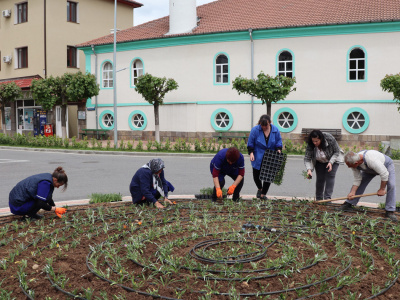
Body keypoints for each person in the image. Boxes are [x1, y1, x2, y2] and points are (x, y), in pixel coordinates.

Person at [340, 150, 397, 221]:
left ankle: (390, 211)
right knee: (361, 182)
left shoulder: (371, 160)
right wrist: (352, 192)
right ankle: (348, 204)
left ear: (356, 163)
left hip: (386, 165)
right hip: (369, 169)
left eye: (350, 166)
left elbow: (384, 174)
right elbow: (357, 179)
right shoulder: (353, 161)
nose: (349, 167)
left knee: (391, 185)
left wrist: (382, 189)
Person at [247, 114, 282, 199]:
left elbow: (278, 141)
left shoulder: (275, 130)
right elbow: (251, 142)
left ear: (269, 123)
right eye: (262, 126)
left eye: (266, 125)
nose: (264, 127)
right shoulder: (255, 130)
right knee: (256, 175)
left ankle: (263, 194)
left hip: (270, 155)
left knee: (268, 175)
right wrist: (251, 153)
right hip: (258, 154)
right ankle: (260, 188)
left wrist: (278, 149)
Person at [304, 130, 343, 200]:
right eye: (313, 141)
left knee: (330, 176)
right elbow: (307, 158)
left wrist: (331, 162)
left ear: (321, 139)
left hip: (333, 158)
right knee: (320, 179)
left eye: (316, 141)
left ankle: (327, 199)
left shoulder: (329, 138)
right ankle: (319, 199)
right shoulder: (310, 144)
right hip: (319, 161)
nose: (315, 143)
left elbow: (336, 152)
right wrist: (309, 170)